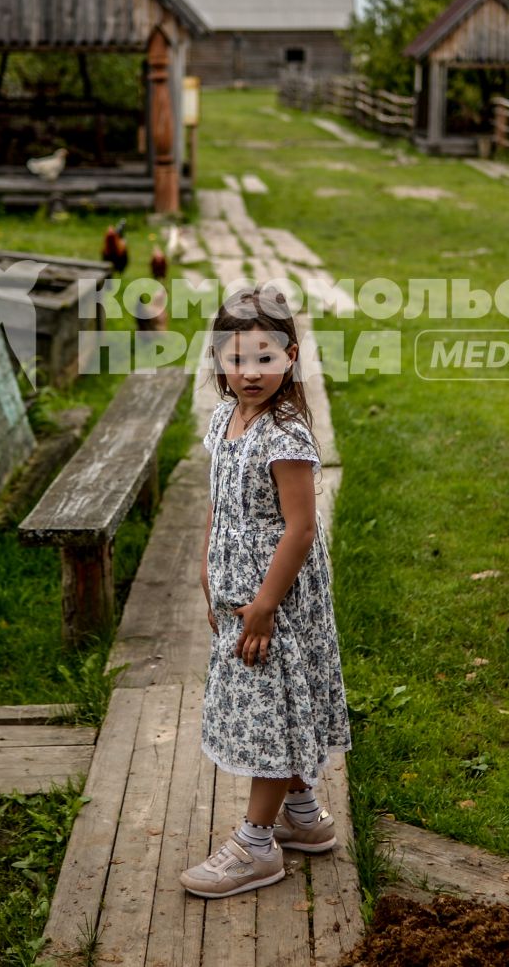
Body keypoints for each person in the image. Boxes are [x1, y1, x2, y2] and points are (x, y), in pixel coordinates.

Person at [179, 284, 352, 899]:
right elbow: (219, 502)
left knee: (269, 704)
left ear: (292, 356)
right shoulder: (224, 419)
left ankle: (257, 845)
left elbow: (301, 528)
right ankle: (302, 815)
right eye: (235, 357)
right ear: (218, 361)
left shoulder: (286, 435)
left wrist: (265, 608)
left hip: (276, 599)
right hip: (238, 593)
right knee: (262, 697)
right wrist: (206, 567)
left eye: (265, 357)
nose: (249, 372)